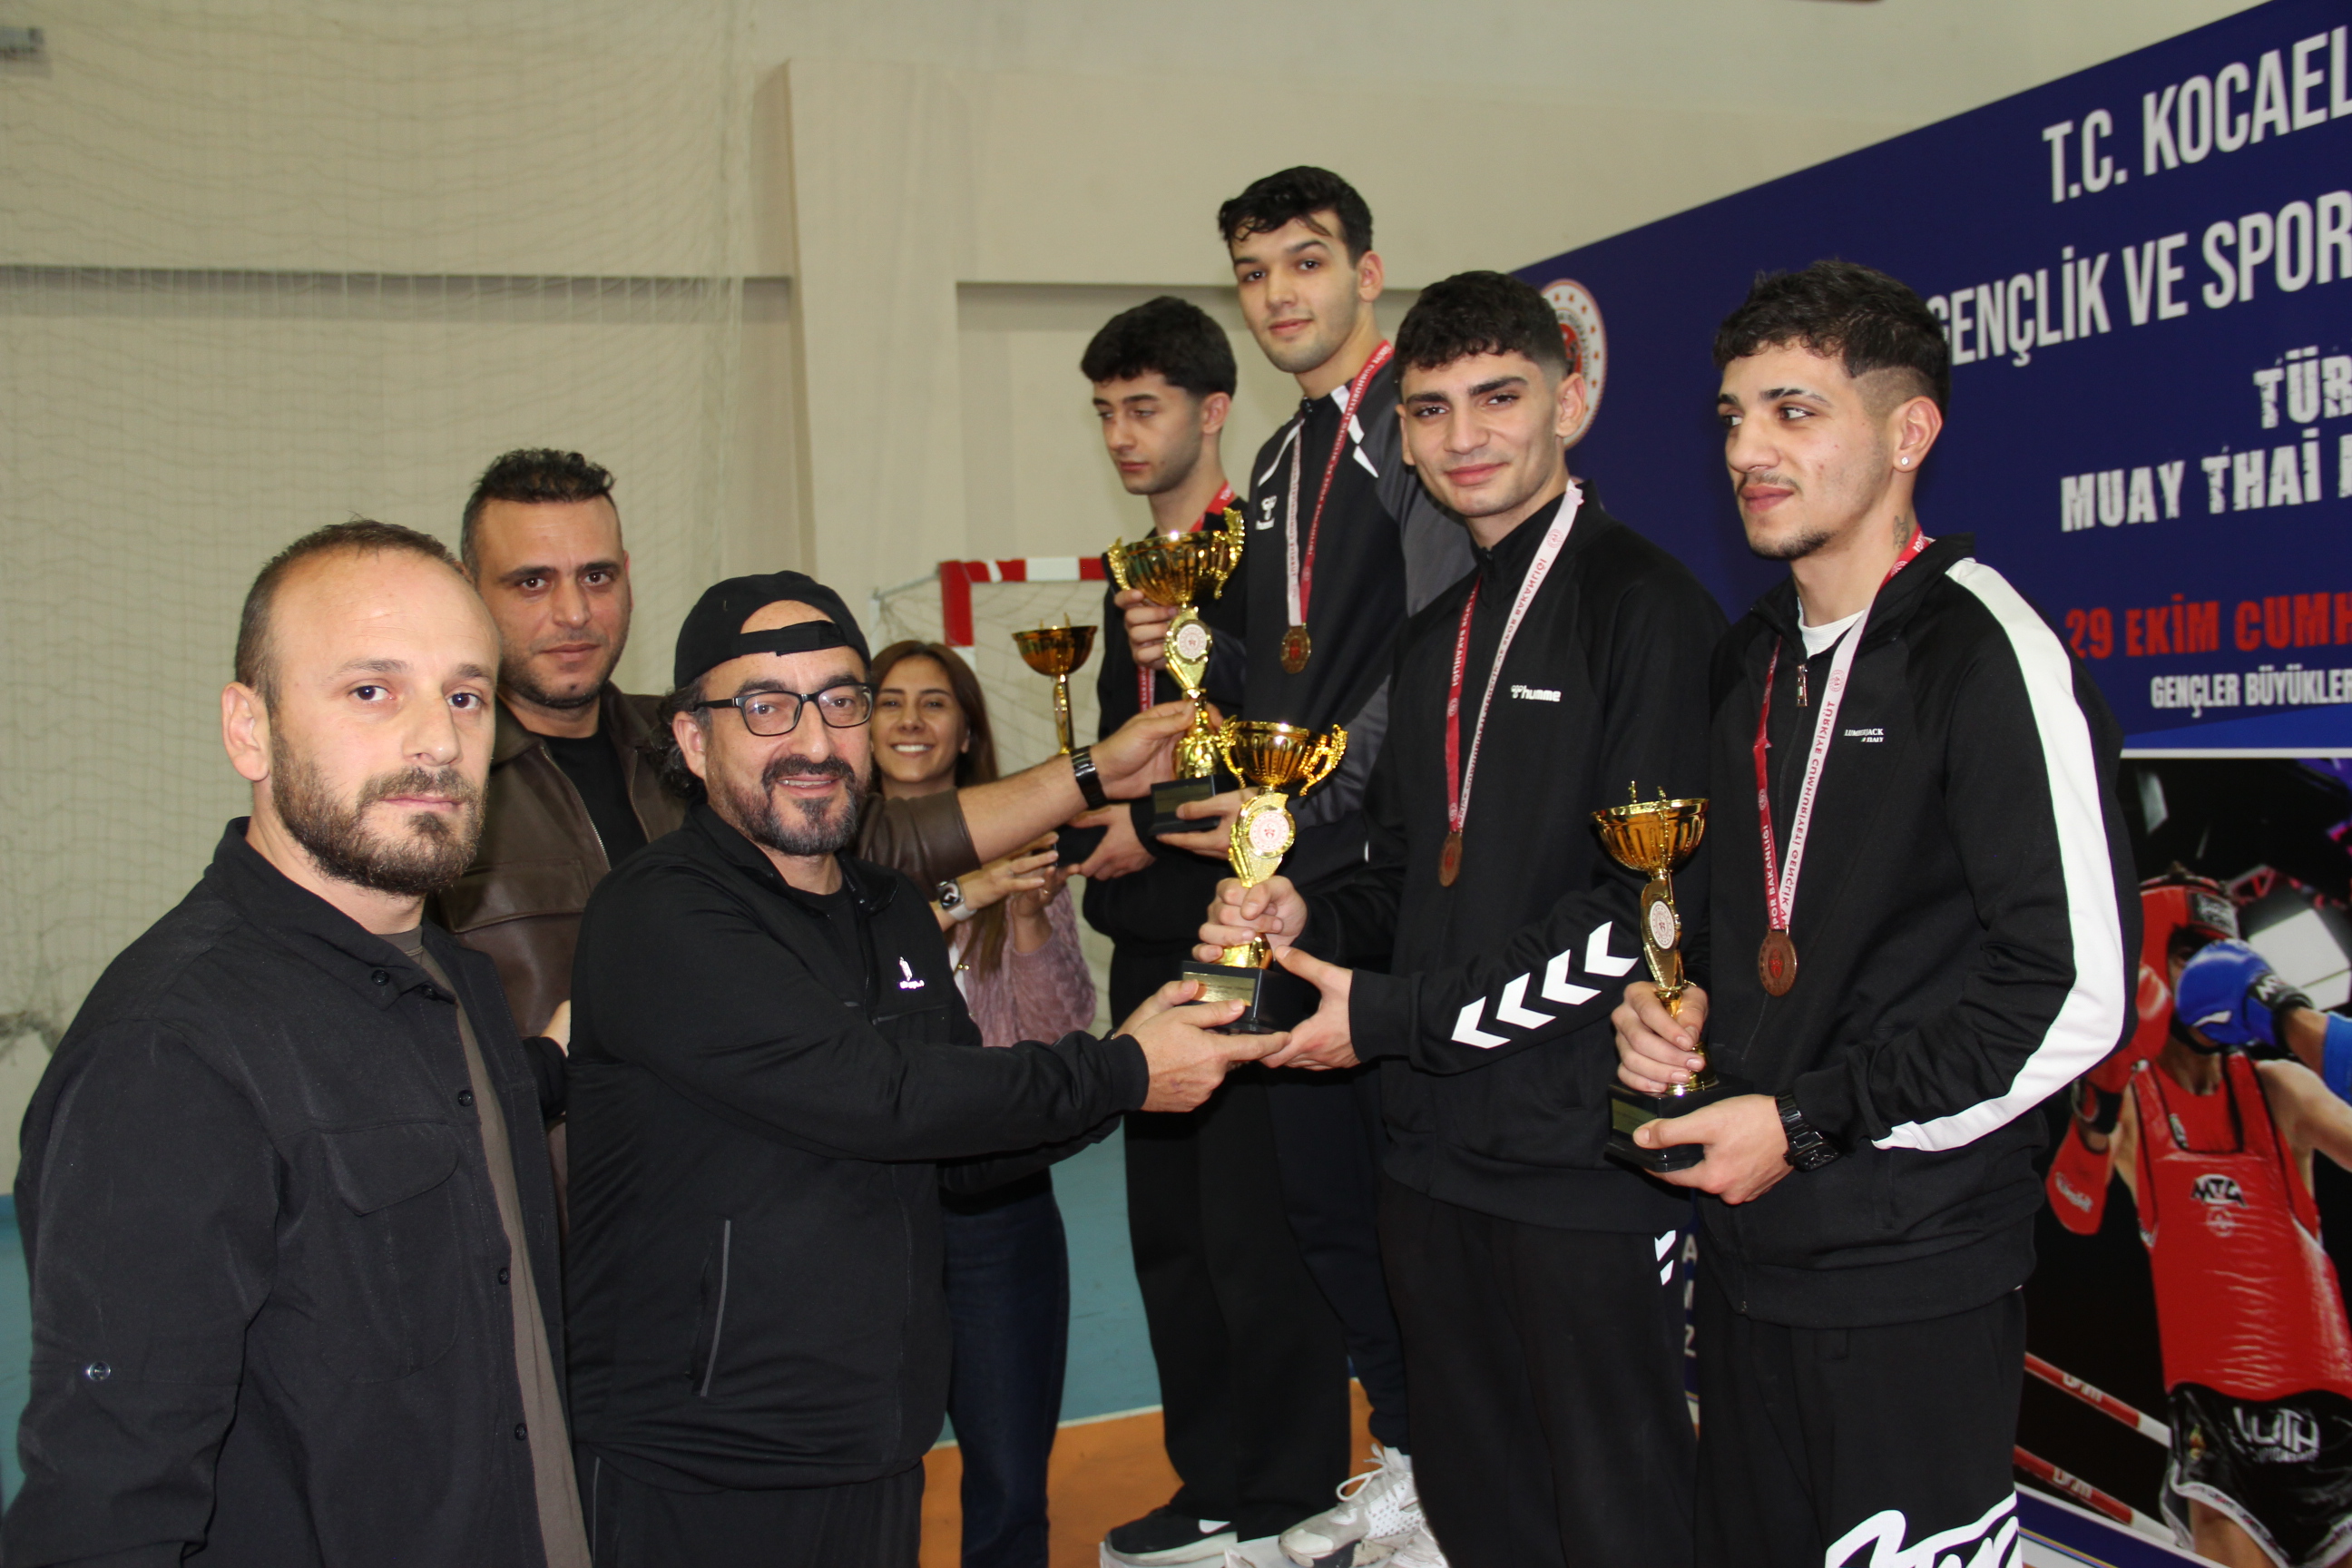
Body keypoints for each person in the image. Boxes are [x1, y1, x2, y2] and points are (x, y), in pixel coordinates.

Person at [560, 571, 1279, 1568]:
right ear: (692, 738)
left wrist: (1150, 1052)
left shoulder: (889, 909)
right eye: (766, 708)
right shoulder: (659, 912)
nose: (815, 743)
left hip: (873, 1437)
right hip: (701, 1457)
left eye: (839, 701)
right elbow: (877, 1097)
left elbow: (964, 1150)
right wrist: (1120, 1071)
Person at [1611, 260, 2137, 1568]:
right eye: (1734, 416)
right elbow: (1744, 930)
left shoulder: (1991, 655)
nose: (1749, 451)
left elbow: (2070, 995)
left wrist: (1806, 1122)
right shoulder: (1750, 659)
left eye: (1794, 411)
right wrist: (1672, 1007)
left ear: (1909, 433)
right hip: (1749, 1259)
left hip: (1913, 1273)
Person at [1202, 271, 1726, 1568]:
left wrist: (1393, 1017)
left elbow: (1642, 915)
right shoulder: (1436, 632)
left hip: (1581, 1167)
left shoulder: (1648, 608)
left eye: (1500, 397)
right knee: (1484, 1516)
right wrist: (1309, 908)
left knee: (1618, 1523)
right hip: (1430, 1159)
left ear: (1570, 401)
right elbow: (1409, 874)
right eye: (1431, 410)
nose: (1464, 437)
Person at [5, 521, 586, 1567]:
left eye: (465, 696)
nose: (437, 740)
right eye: (371, 690)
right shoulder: (171, 1053)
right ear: (250, 730)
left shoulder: (453, 977)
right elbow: (106, 1513)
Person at [1102, 165, 1472, 1568]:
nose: (1278, 297)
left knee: (1392, 1193)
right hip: (1294, 860)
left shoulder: (1409, 428)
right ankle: (1410, 1456)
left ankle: (1454, 1471)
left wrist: (1317, 801)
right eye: (1255, 273)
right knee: (1317, 1197)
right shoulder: (1276, 460)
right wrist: (1191, 650)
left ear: (1367, 273)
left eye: (1306, 263)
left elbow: (1435, 651)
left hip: (1377, 867)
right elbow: (1278, 673)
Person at [444, 448, 1189, 1049]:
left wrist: (1094, 770)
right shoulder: (439, 782)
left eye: (596, 576)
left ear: (629, 578)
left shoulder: (683, 745)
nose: (573, 612)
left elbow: (886, 836)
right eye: (532, 582)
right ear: (470, 589)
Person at [1081, 296, 1360, 1568]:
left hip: (1250, 931)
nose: (1120, 435)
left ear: (1211, 412)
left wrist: (1153, 823)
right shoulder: (1125, 580)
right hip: (1148, 948)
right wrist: (1104, 825)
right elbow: (1121, 763)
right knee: (1174, 1241)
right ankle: (1211, 1482)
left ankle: (1291, 1492)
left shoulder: (1274, 561)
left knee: (1258, 1238)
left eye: (1143, 408)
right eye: (1104, 411)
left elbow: (1289, 759)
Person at [2048, 873, 2352, 1568]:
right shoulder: (2134, 1098)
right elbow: (2073, 1209)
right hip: (2216, 1422)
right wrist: (2098, 1098)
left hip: (2334, 1414)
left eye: (2224, 949)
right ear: (2152, 964)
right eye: (2190, 951)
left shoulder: (2279, 1087)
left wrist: (2293, 1018)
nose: (2215, 966)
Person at [869, 639, 1097, 1568]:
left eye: (935, 703)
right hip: (869, 1204)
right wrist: (963, 894)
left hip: (996, 1205)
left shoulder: (1021, 847)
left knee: (1008, 1477)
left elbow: (1062, 1028)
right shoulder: (826, 855)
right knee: (864, 1468)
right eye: (889, 701)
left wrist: (1029, 914)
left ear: (967, 732)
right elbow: (851, 979)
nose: (910, 721)